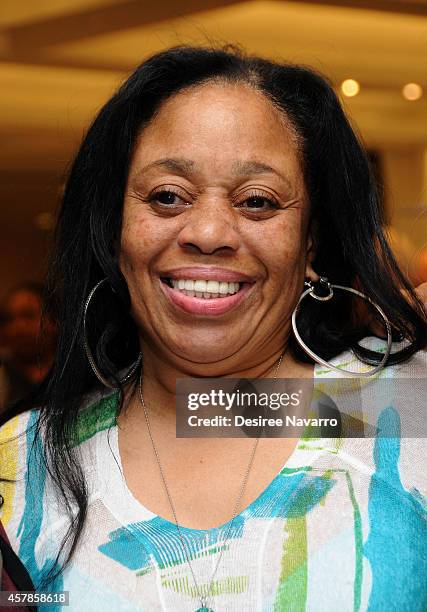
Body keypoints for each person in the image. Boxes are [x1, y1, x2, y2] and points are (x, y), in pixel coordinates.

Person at [0, 45, 426, 612]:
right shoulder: (19, 469)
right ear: (114, 231)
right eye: (167, 196)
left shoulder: (405, 412)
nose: (207, 231)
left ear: (311, 239)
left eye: (257, 201)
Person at [0, 284, 56, 413]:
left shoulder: (71, 372)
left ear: (54, 321)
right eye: (9, 319)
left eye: (28, 316)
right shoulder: (3, 374)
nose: (17, 328)